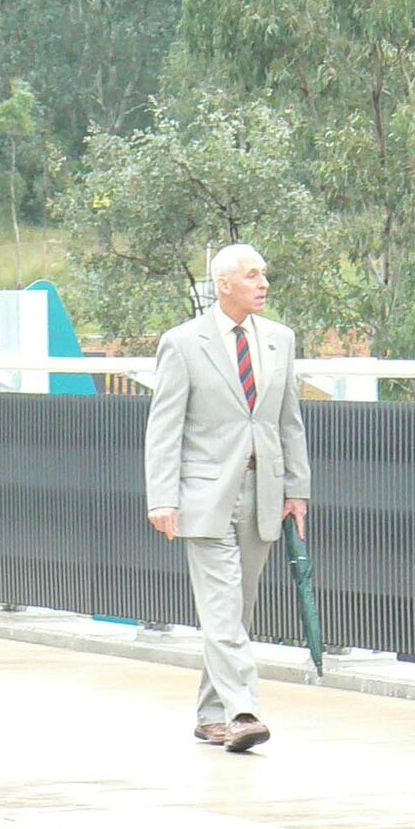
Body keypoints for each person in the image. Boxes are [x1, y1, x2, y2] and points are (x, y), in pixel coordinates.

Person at [145, 243, 310, 752]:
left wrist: (296, 490)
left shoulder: (280, 339)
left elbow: (288, 421)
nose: (263, 284)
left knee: (238, 610)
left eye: (265, 274)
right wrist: (162, 498)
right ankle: (243, 711)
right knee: (221, 608)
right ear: (223, 285)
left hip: (264, 490)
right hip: (203, 495)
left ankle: (210, 715)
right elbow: (164, 426)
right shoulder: (183, 343)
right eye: (252, 276)